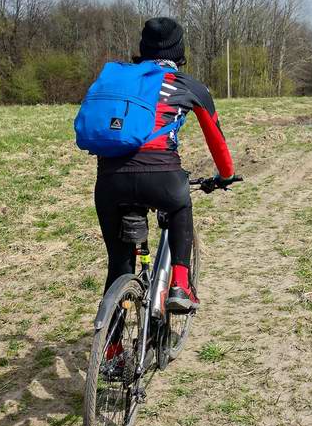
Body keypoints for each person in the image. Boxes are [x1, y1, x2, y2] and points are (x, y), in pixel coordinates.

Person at [94, 17, 237, 317]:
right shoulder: (188, 85)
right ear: (180, 52)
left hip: (110, 181)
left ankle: (111, 348)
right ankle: (181, 286)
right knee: (180, 204)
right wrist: (225, 176)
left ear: (142, 49)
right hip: (161, 176)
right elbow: (218, 144)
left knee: (119, 264)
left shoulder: (120, 79)